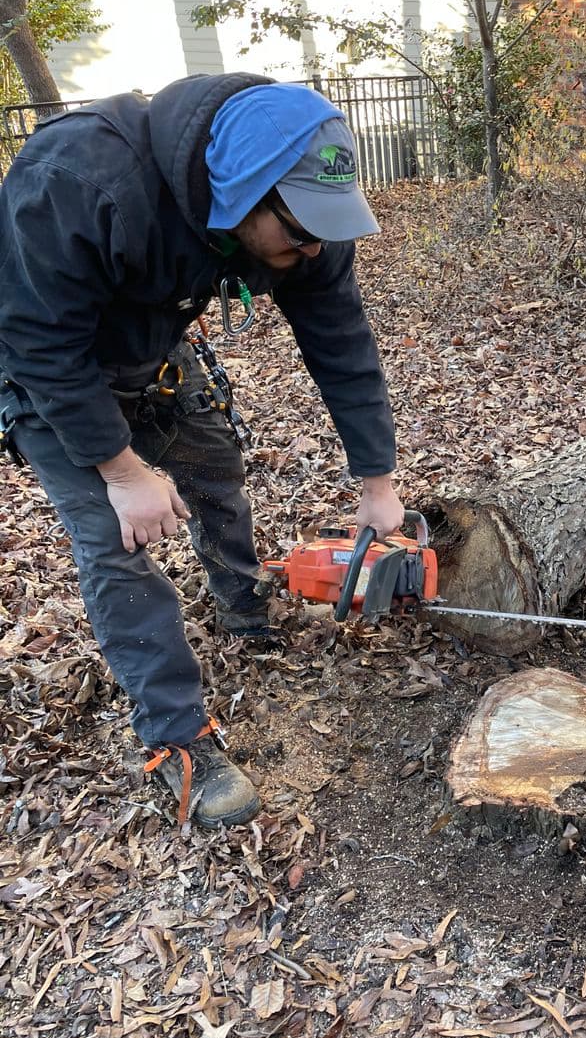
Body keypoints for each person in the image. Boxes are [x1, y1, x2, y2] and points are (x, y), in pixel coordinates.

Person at [0, 73, 404, 829]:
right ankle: (175, 740)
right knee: (118, 539)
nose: (314, 245)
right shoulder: (80, 179)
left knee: (214, 460)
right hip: (46, 367)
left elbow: (341, 341)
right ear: (239, 189)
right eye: (299, 229)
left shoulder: (299, 221)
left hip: (150, 345)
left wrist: (376, 478)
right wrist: (123, 471)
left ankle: (241, 605)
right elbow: (37, 340)